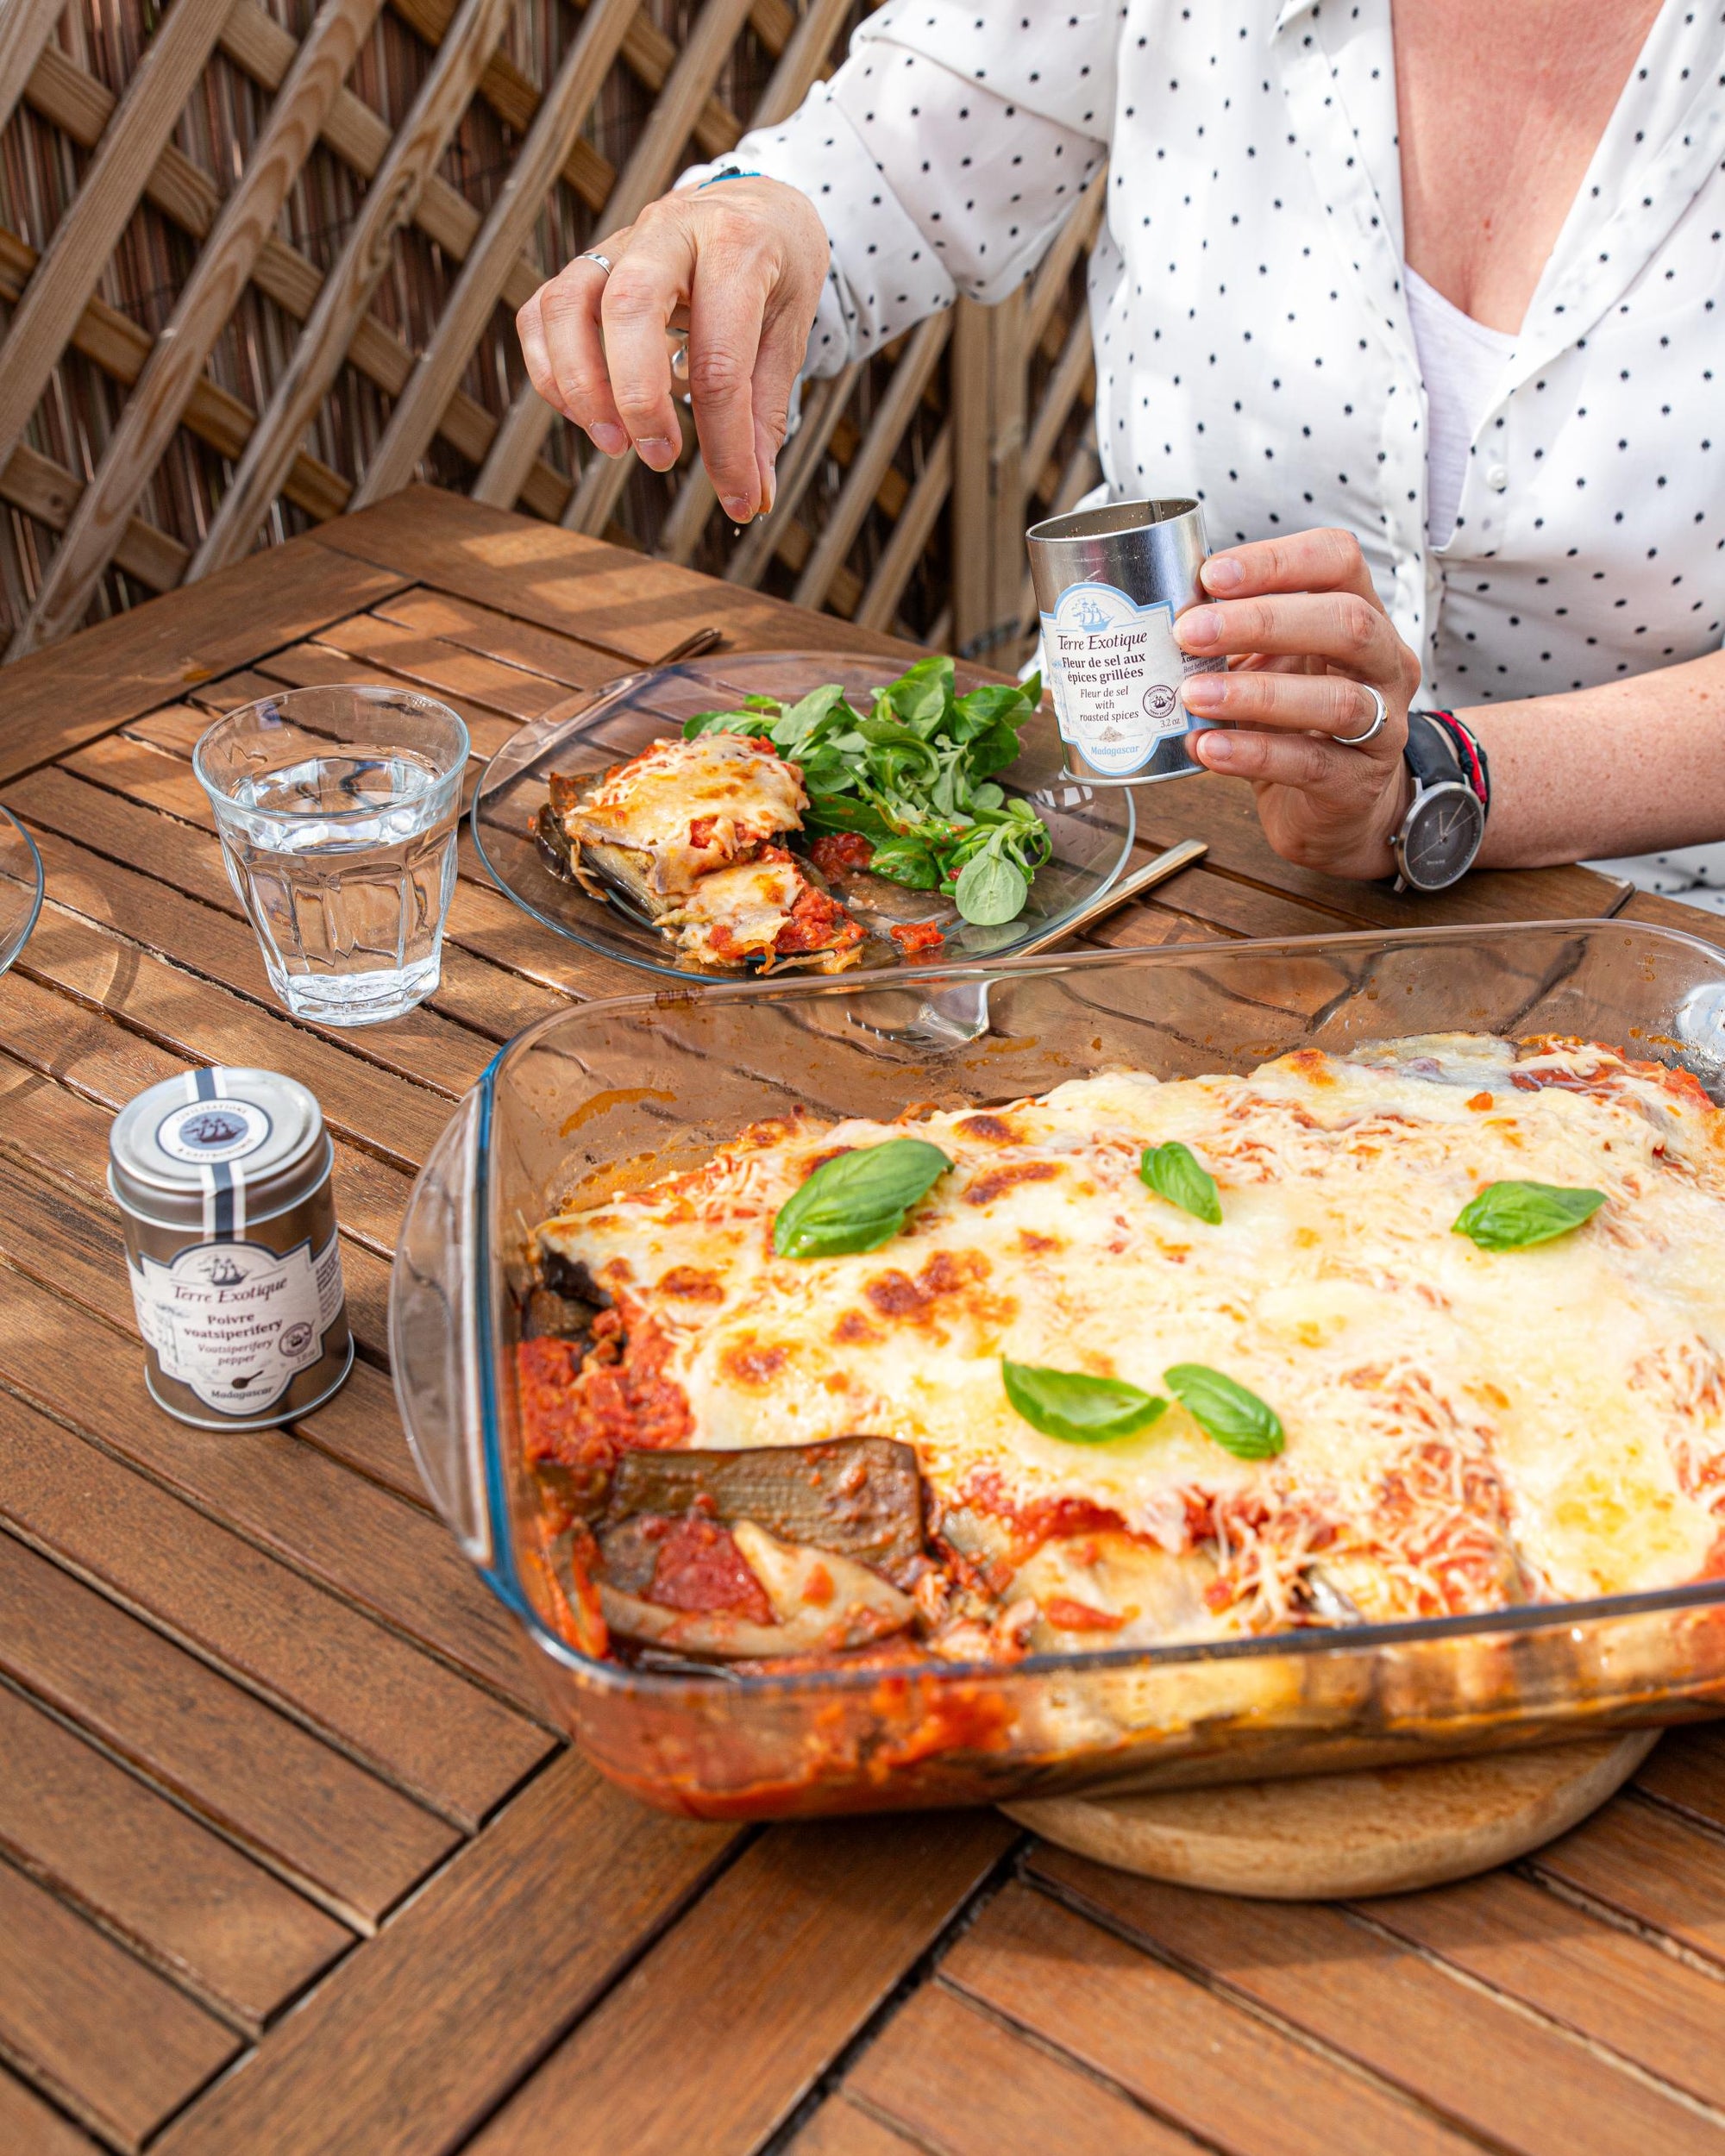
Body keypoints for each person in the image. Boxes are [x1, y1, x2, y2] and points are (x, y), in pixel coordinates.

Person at [516, 1, 1725, 899]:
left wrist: (1431, 780)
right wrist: (747, 223)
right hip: (1127, 850)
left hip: (1651, 926)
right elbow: (880, 160)